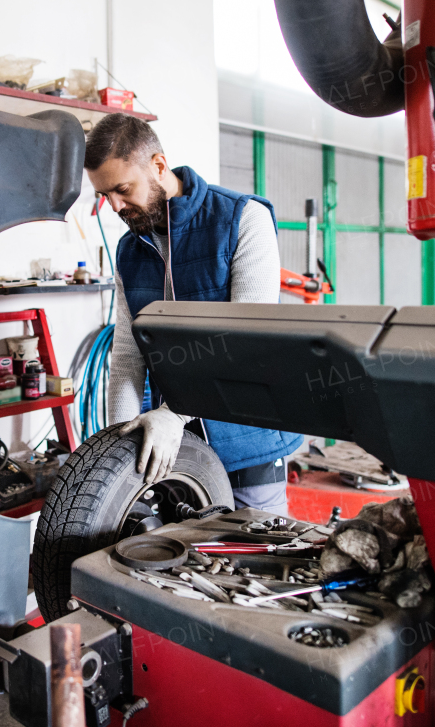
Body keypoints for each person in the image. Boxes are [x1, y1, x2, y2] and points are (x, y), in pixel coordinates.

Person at [86, 113, 304, 515]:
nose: (114, 205)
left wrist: (173, 415)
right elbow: (128, 358)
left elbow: (244, 342)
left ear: (158, 166)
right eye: (104, 195)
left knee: (251, 560)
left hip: (247, 439)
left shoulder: (243, 219)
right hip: (174, 449)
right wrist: (118, 446)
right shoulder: (129, 251)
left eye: (122, 189)